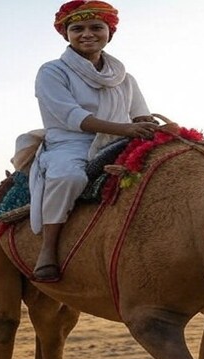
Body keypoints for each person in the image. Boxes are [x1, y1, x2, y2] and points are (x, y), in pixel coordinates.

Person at [28, 0, 158, 282]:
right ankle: (48, 250)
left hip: (119, 141)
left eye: (96, 27)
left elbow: (140, 115)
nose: (87, 33)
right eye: (78, 28)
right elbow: (73, 116)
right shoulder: (52, 72)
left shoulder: (124, 78)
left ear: (109, 32)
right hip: (70, 143)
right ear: (67, 34)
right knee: (69, 178)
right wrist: (126, 130)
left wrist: (148, 124)